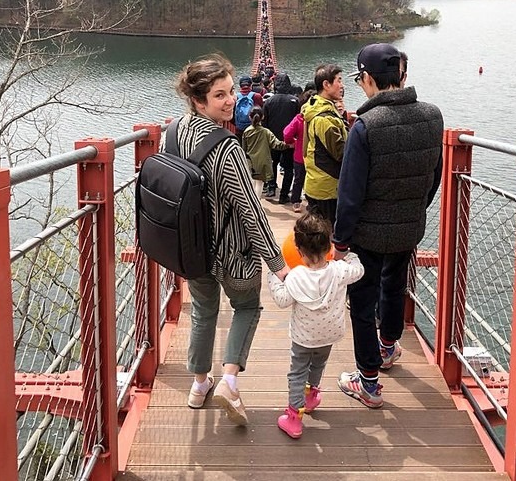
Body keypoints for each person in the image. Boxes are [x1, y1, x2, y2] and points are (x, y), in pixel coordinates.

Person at [174, 54, 290, 426]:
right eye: (220, 95)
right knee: (247, 308)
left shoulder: (173, 132)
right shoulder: (226, 147)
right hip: (235, 253)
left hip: (194, 249)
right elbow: (251, 212)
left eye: (229, 92)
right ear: (198, 100)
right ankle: (228, 380)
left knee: (203, 313)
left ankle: (197, 385)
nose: (230, 102)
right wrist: (277, 264)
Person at [333, 43, 443, 408]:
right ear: (403, 75)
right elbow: (435, 176)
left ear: (365, 78)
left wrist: (340, 242)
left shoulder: (366, 126)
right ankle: (388, 347)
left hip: (368, 232)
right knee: (394, 287)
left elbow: (350, 193)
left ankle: (368, 383)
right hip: (409, 227)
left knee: (362, 305)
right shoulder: (433, 116)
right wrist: (415, 209)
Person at [267, 212, 364, 438]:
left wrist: (274, 276)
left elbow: (282, 300)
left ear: (299, 251)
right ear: (328, 246)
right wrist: (348, 256)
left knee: (297, 372)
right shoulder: (339, 271)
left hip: (303, 338)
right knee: (318, 365)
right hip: (330, 334)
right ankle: (311, 397)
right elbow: (359, 270)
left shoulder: (296, 276)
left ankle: (294, 418)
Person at [302, 64, 348, 225]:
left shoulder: (314, 107)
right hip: (327, 188)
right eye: (338, 80)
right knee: (328, 237)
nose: (342, 85)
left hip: (317, 182)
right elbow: (342, 154)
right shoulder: (325, 119)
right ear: (326, 85)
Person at [263, 73, 301, 201]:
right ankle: (284, 195)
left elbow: (264, 123)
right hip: (290, 141)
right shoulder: (295, 101)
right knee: (289, 167)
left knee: (273, 163)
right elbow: (298, 121)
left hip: (273, 140)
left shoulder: (268, 101)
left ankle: (271, 188)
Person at [242, 105, 291, 196]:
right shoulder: (266, 132)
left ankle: (252, 203)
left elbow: (244, 148)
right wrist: (288, 145)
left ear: (249, 117)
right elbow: (276, 144)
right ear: (263, 117)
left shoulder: (246, 131)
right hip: (263, 161)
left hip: (250, 161)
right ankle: (258, 203)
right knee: (259, 183)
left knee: (252, 182)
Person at [283, 83, 316, 213]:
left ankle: (296, 201)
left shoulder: (300, 119)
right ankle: (312, 202)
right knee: (313, 179)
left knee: (298, 179)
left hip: (300, 154)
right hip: (316, 156)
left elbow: (287, 133)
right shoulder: (321, 118)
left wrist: (293, 142)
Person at [233, 76, 264, 141]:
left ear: (240, 86)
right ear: (251, 85)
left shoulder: (235, 97)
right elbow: (262, 111)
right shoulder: (257, 96)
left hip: (239, 129)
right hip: (254, 129)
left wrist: (237, 123)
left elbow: (231, 114)